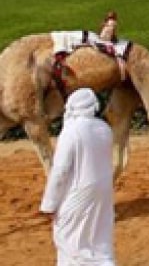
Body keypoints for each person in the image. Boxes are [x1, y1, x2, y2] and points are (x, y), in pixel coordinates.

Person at [40, 89, 118, 266]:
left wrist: (49, 204)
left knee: (68, 239)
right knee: (100, 239)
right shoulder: (104, 128)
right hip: (103, 193)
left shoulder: (71, 132)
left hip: (78, 192)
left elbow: (60, 171)